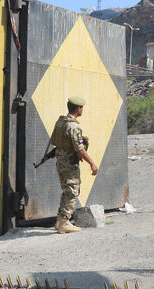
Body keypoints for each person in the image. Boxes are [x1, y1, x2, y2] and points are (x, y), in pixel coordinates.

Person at [51, 96, 99, 234]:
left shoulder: (61, 122)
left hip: (61, 161)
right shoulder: (74, 126)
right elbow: (80, 150)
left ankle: (61, 220)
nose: (82, 109)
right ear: (78, 109)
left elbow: (56, 142)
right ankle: (64, 222)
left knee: (67, 190)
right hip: (69, 163)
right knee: (72, 191)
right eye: (82, 107)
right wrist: (92, 164)